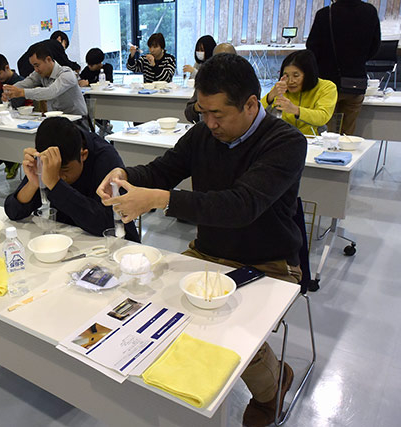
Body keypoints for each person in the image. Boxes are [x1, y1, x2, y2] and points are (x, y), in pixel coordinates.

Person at [97, 54, 306, 427]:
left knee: (227, 327)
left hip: (267, 261)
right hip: (210, 253)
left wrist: (160, 199)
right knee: (156, 302)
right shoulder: (203, 133)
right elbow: (165, 169)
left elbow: (243, 205)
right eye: (201, 112)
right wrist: (124, 173)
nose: (208, 123)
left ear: (250, 105)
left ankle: (273, 386)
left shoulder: (285, 142)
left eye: (217, 115)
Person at [4, 117, 138, 242]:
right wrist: (33, 183)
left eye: (65, 171)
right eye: (51, 170)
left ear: (83, 155)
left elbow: (110, 223)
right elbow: (13, 212)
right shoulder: (46, 158)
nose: (59, 176)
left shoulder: (105, 158)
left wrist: (55, 184)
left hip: (104, 244)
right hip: (65, 238)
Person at [306, 0, 380, 134]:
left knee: (325, 132)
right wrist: (357, 61)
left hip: (328, 82)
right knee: (348, 132)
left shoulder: (325, 14)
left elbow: (312, 48)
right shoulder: (370, 12)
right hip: (357, 81)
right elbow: (375, 46)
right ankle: (346, 154)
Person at [261, 49, 337, 135]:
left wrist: (295, 110)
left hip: (313, 139)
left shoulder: (326, 87)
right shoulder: (281, 87)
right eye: (286, 75)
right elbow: (256, 113)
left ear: (309, 74)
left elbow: (322, 117)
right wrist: (270, 96)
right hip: (284, 138)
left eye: (296, 75)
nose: (290, 81)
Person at [4, 43, 88, 118]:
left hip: (76, 121)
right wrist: (10, 90)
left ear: (48, 59)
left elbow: (51, 92)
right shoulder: (40, 74)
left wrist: (22, 93)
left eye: (37, 65)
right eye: (33, 66)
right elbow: (25, 83)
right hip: (55, 120)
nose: (36, 69)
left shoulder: (67, 74)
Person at [184, 43, 237, 123]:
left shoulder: (243, 81)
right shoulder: (205, 81)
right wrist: (197, 107)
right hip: (207, 130)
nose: (223, 65)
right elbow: (188, 112)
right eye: (218, 61)